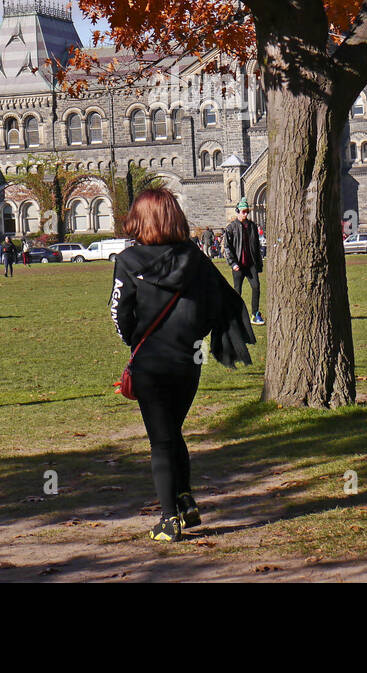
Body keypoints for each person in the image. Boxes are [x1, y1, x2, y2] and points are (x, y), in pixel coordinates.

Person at [111, 188, 255, 542]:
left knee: (160, 440)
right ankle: (185, 498)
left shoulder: (128, 261)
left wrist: (134, 341)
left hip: (150, 362)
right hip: (189, 360)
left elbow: (119, 314)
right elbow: (221, 300)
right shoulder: (195, 257)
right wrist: (198, 335)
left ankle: (168, 519)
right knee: (173, 431)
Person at [222, 198, 264, 325]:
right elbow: (227, 248)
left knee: (256, 287)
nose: (246, 214)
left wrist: (259, 264)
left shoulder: (252, 227)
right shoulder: (231, 228)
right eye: (243, 211)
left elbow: (256, 247)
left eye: (247, 211)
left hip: (251, 264)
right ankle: (236, 315)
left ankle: (255, 313)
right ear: (238, 211)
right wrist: (233, 263)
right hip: (238, 265)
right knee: (237, 291)